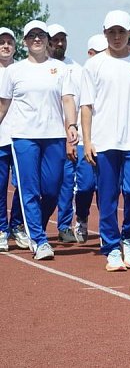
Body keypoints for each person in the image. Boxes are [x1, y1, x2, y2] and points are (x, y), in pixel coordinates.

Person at [80, 10, 130, 271]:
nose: (116, 36)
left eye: (121, 31)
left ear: (129, 33)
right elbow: (86, 106)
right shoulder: (93, 65)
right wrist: (87, 141)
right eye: (111, 31)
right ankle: (111, 246)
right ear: (104, 33)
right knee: (108, 197)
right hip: (104, 141)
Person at [0, 21, 77, 260]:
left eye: (41, 35)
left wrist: (71, 125)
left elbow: (67, 100)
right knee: (29, 190)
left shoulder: (61, 69)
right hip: (23, 137)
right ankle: (39, 240)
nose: (36, 39)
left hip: (54, 135)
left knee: (52, 189)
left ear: (48, 40)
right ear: (24, 41)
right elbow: (3, 105)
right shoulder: (15, 71)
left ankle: (32, 227)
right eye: (31, 36)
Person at [47, 23, 84, 244]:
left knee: (67, 183)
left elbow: (78, 103)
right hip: (45, 135)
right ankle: (29, 223)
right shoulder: (40, 67)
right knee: (47, 185)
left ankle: (64, 225)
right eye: (55, 39)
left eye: (63, 39)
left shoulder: (76, 69)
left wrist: (74, 132)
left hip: (69, 136)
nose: (59, 43)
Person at [0, 27, 16, 253]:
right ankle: (2, 229)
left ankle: (18, 225)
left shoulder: (23, 69)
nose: (5, 46)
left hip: (22, 137)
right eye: (1, 42)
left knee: (25, 186)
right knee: (0, 186)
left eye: (9, 42)